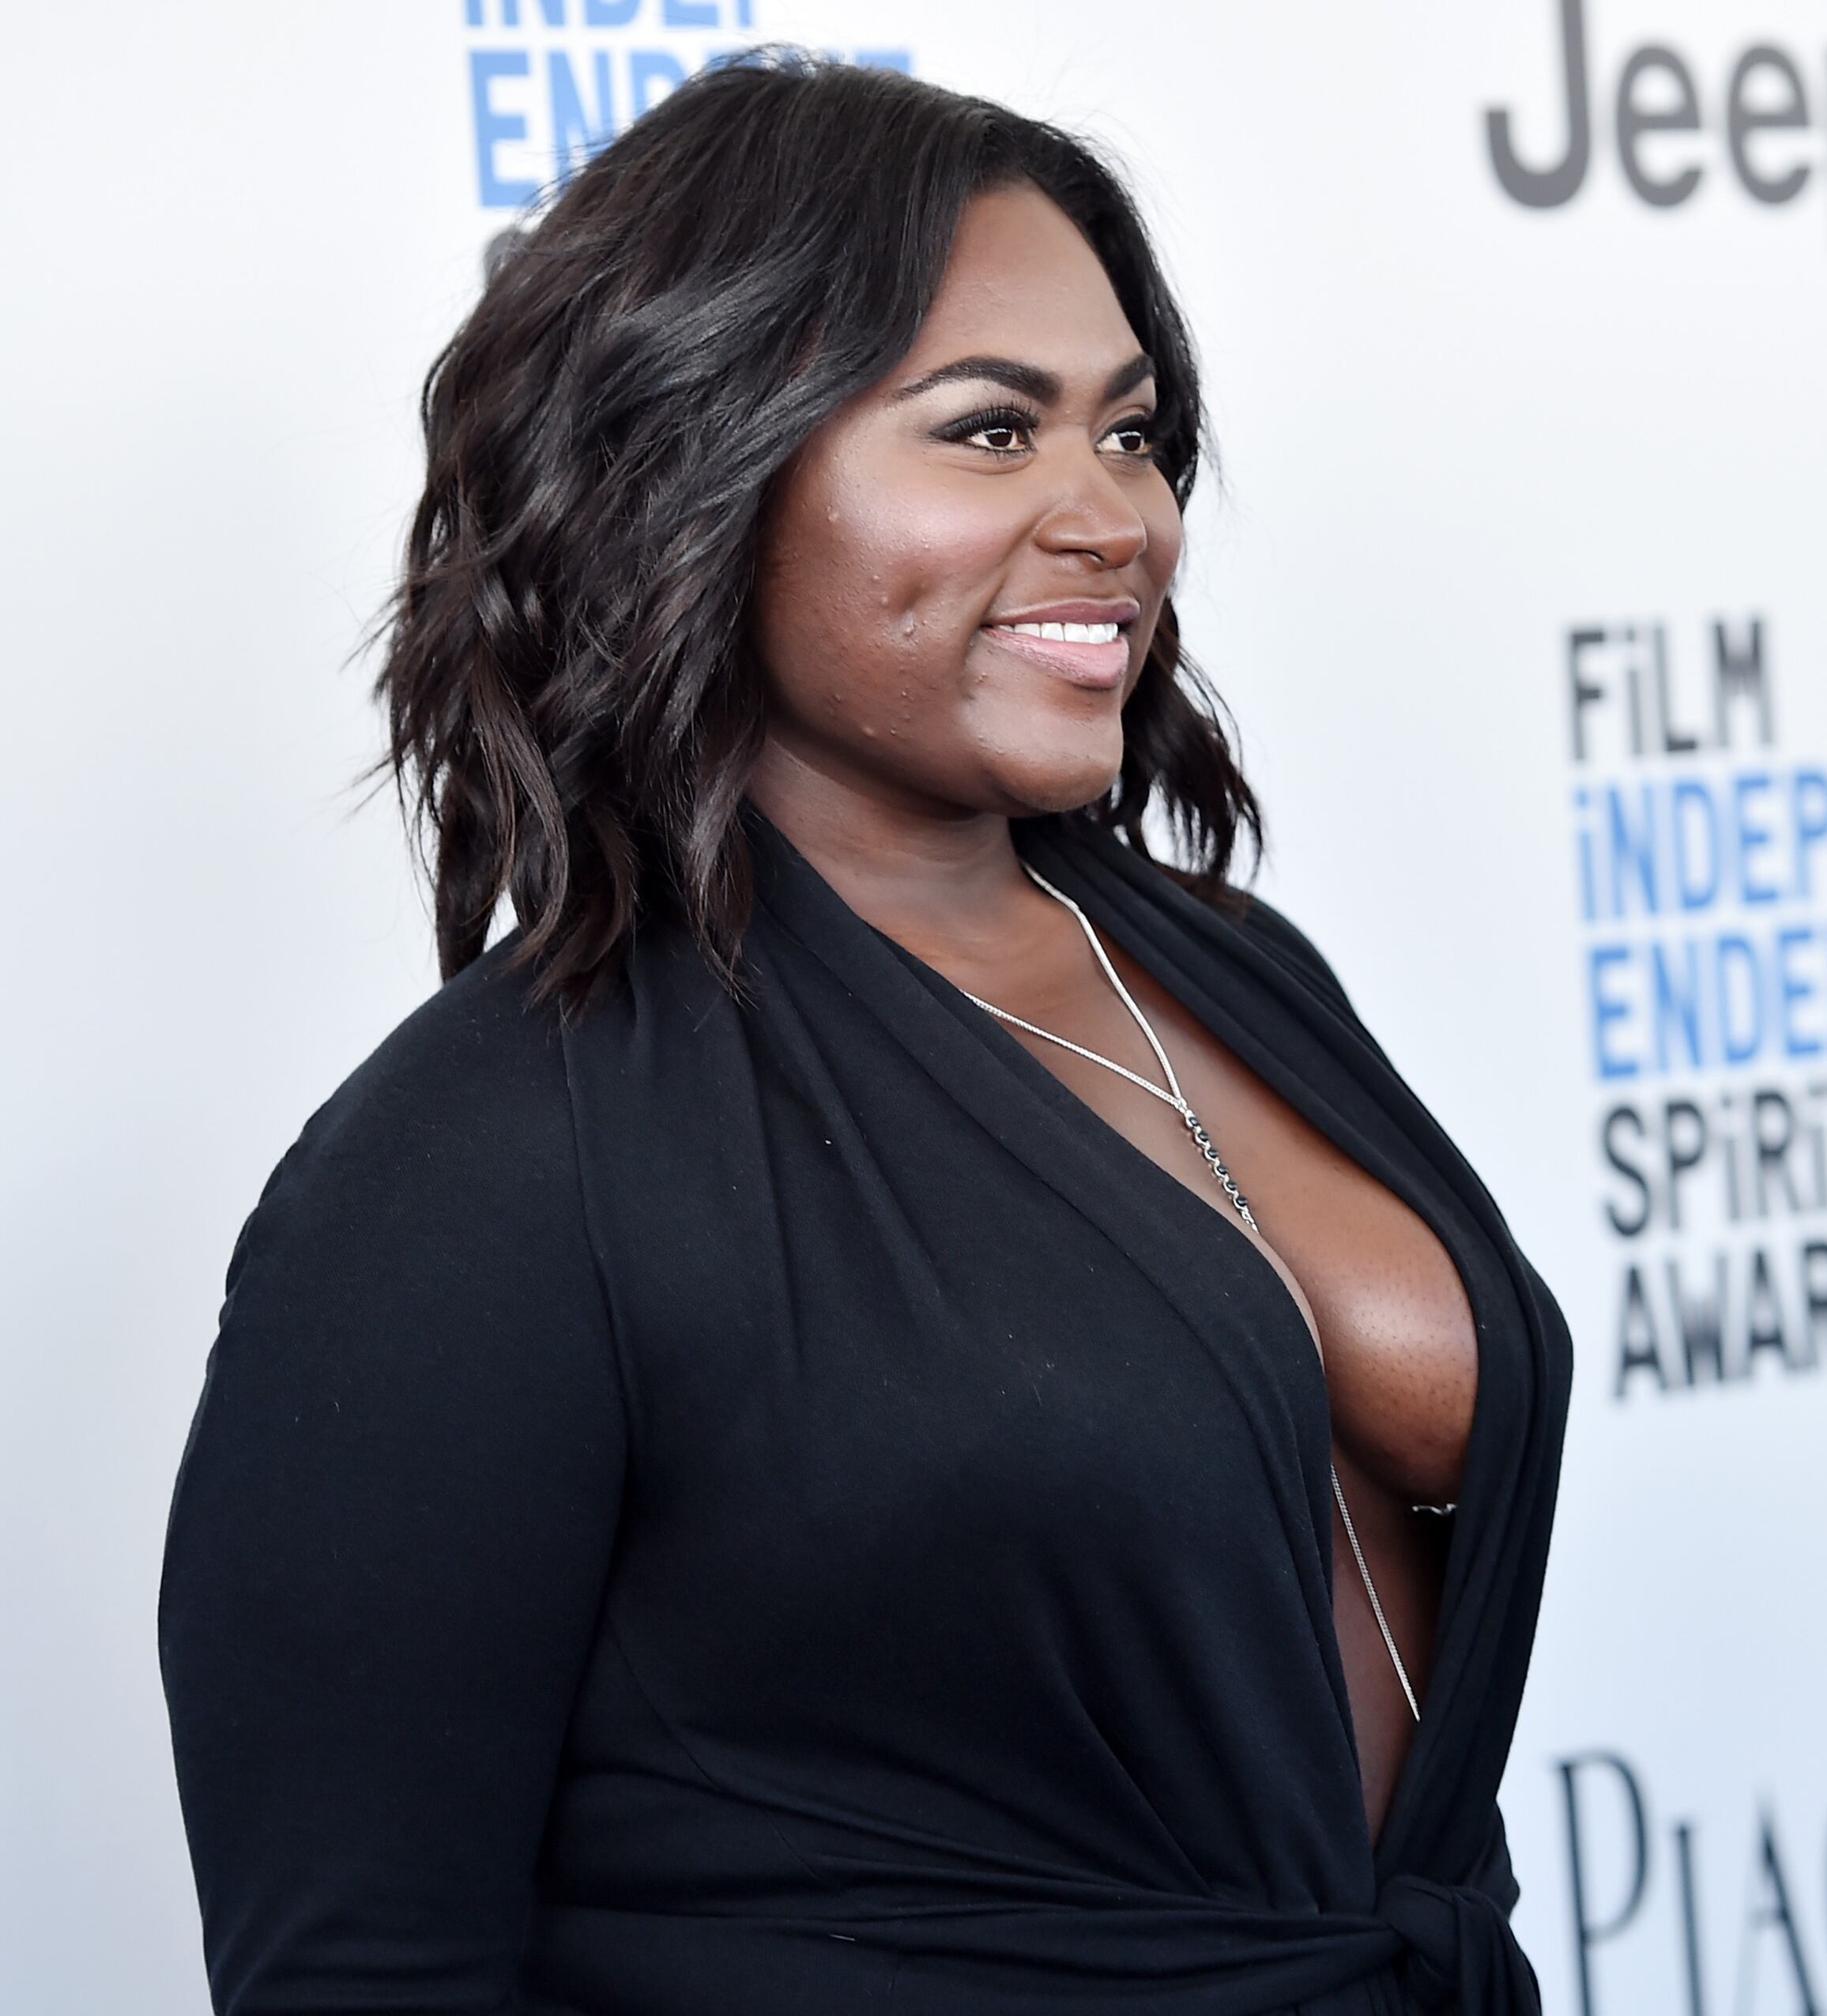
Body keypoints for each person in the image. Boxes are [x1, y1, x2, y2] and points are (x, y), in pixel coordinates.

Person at [158, 55, 1570, 2016]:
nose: (1116, 517)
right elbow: (359, 1973)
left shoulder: (1236, 969)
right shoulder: (489, 1156)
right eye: (990, 430)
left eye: (1133, 432)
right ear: (702, 469)